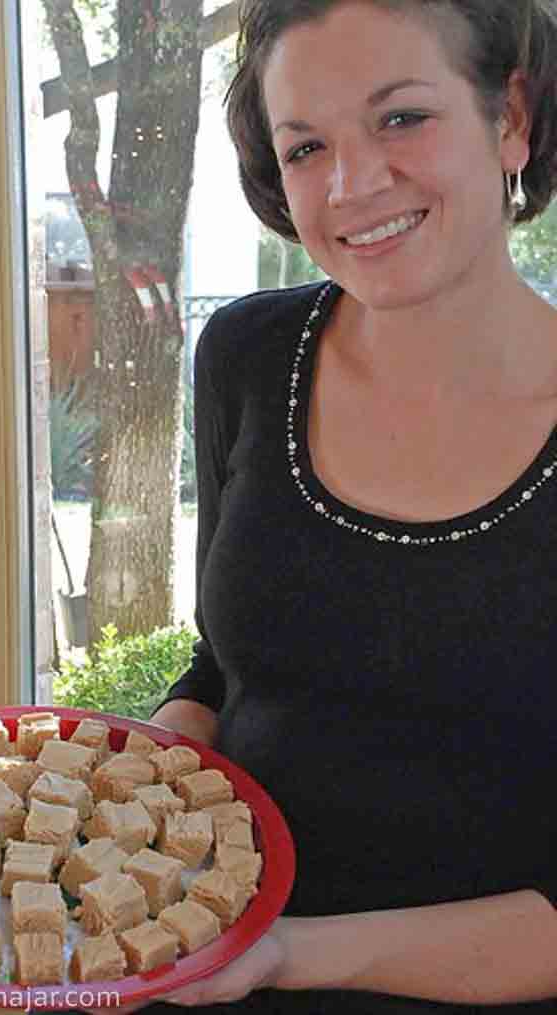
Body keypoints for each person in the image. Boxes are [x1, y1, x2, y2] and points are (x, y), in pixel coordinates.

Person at [130, 0, 557, 1012]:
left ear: (508, 117)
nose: (351, 183)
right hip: (208, 954)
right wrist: (141, 780)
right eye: (305, 145)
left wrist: (287, 952)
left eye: (400, 118)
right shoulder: (249, 353)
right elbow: (228, 665)